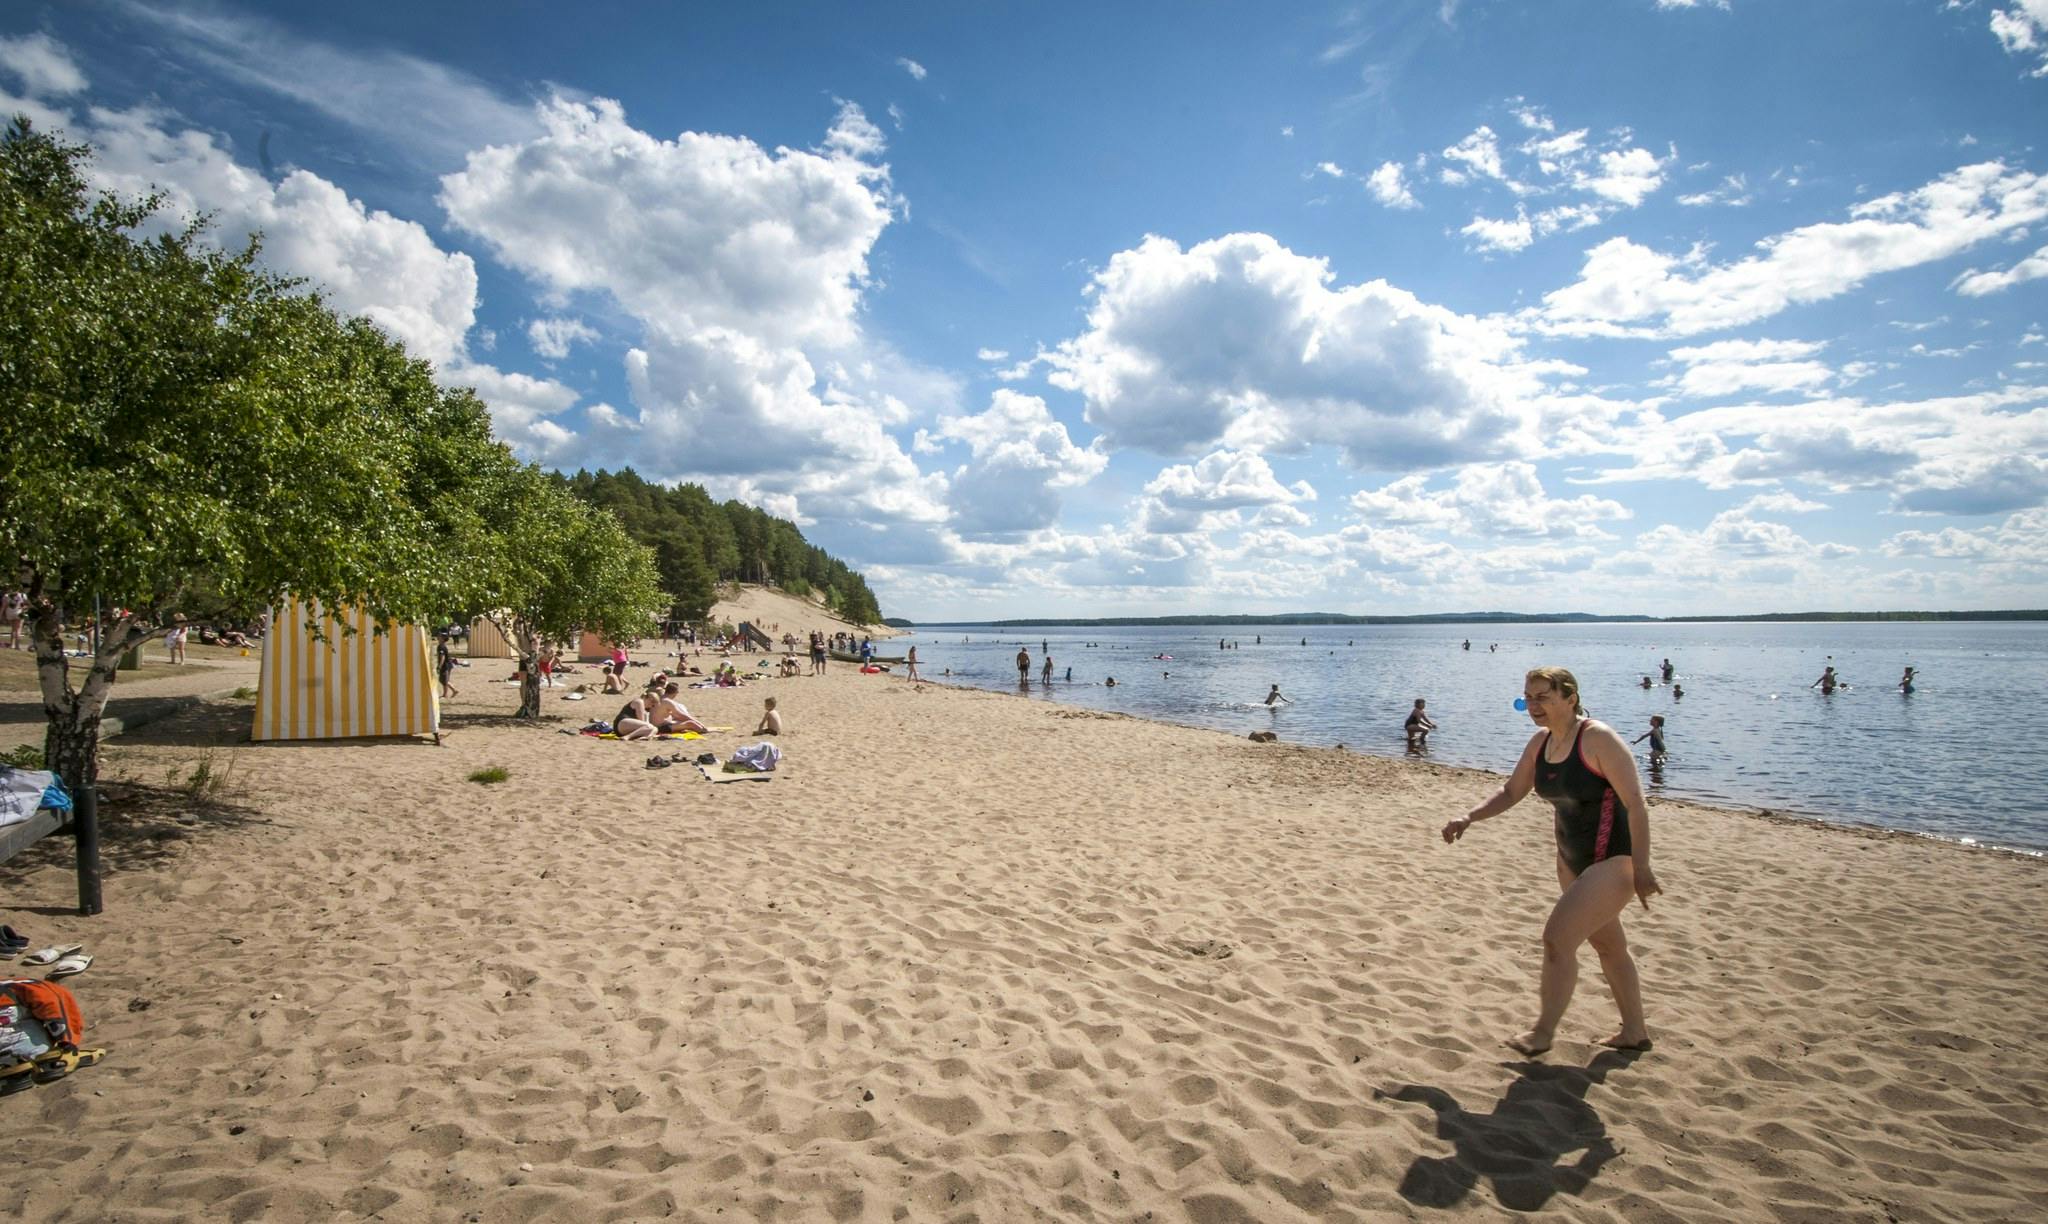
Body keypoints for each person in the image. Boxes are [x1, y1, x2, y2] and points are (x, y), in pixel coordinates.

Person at [1441, 666, 1660, 1056]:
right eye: (1528, 696)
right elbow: (1511, 791)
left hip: (1612, 860)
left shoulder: (1598, 739)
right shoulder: (1540, 743)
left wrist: (1641, 868)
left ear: (1570, 698)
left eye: (1543, 696)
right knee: (1608, 945)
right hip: (1570, 860)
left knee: (1557, 941)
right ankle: (1635, 1032)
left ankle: (1542, 1033)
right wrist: (1469, 816)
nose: (1533, 705)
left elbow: (1637, 805)